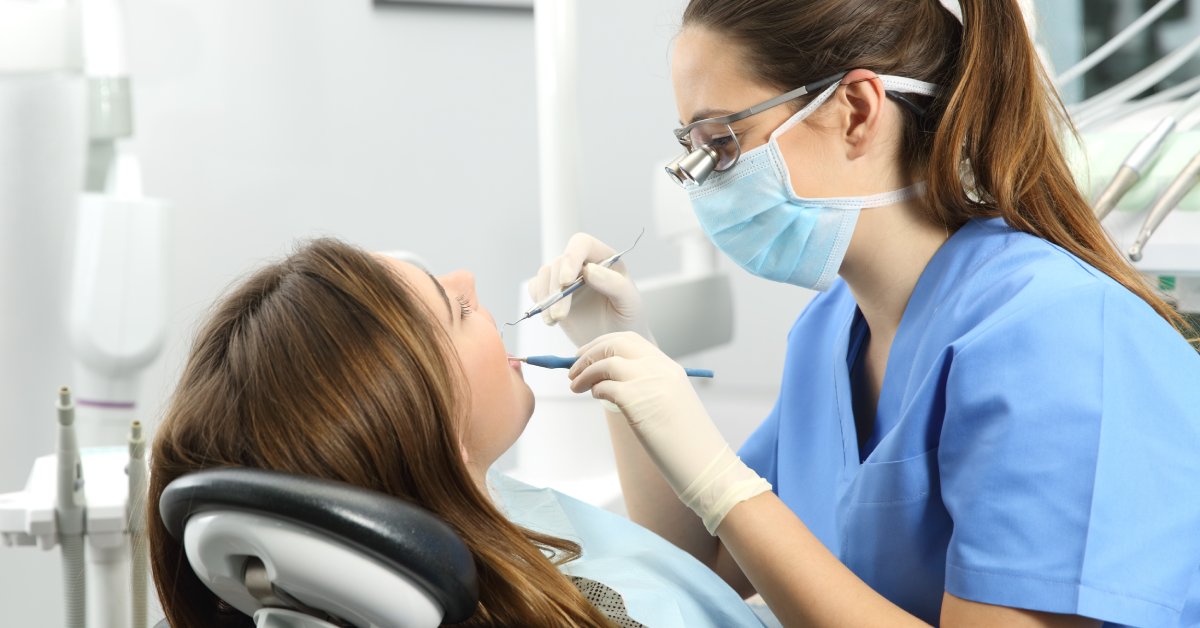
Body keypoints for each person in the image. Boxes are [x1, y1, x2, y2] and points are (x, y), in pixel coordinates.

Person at [532, 0, 1200, 626]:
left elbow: (730, 506)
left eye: (724, 144)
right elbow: (700, 564)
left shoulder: (1058, 337)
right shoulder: (829, 333)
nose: (703, 182)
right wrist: (622, 356)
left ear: (856, 109)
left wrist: (723, 480)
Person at [147, 238, 761, 627]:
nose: (468, 277)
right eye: (456, 309)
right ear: (437, 436)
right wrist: (721, 483)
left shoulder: (474, 515)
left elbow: (674, 569)